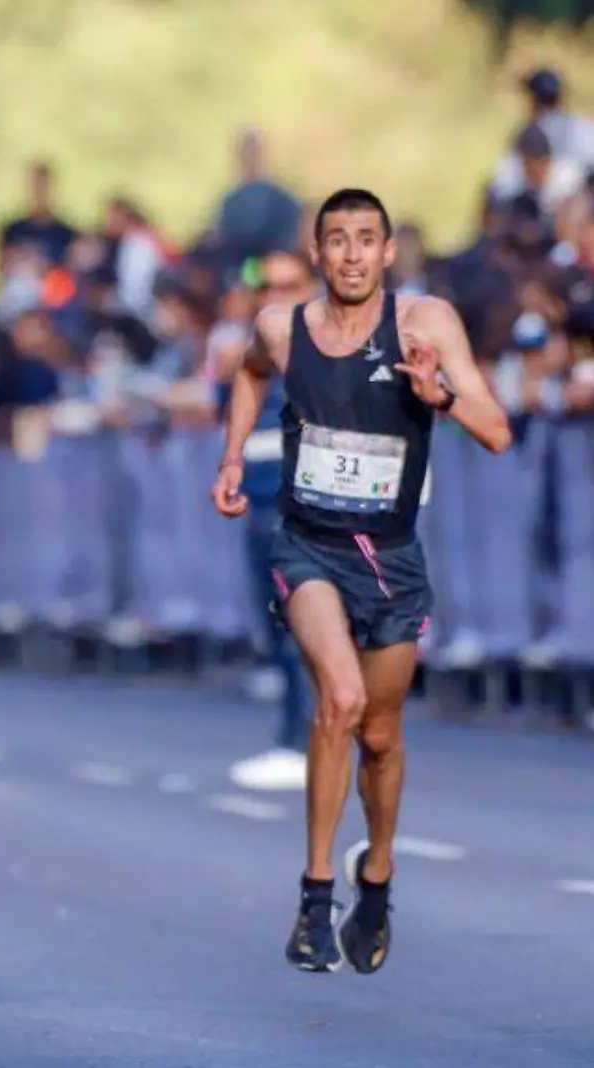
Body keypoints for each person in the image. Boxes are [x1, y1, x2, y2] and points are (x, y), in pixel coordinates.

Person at [211, 190, 511, 976]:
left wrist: (435, 395)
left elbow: (498, 430)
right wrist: (234, 455)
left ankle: (375, 874)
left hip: (393, 558)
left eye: (365, 240)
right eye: (336, 240)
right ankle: (315, 900)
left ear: (387, 253)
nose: (350, 254)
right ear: (317, 253)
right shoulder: (281, 328)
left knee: (380, 735)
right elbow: (246, 374)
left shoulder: (425, 325)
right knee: (338, 701)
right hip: (307, 546)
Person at [222, 251, 319, 792]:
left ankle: (301, 743)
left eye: (289, 285)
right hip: (260, 504)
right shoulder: (253, 353)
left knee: (299, 627)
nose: (275, 295)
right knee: (277, 626)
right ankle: (298, 736)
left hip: (302, 508)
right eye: (266, 287)